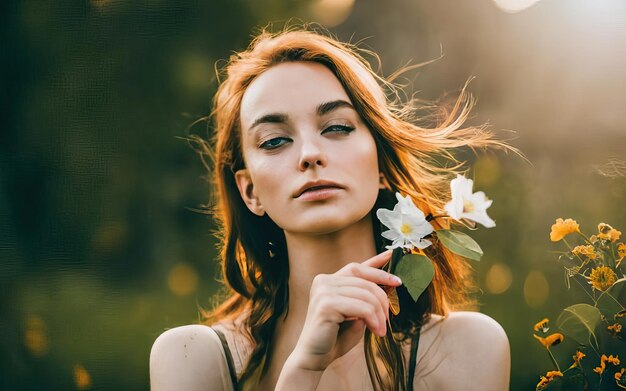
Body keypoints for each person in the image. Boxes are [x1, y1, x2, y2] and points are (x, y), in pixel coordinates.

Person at [150, 25, 511, 391]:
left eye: (337, 127)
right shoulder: (194, 359)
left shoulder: (465, 351)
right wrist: (302, 372)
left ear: (382, 164)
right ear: (249, 192)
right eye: (275, 141)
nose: (310, 154)